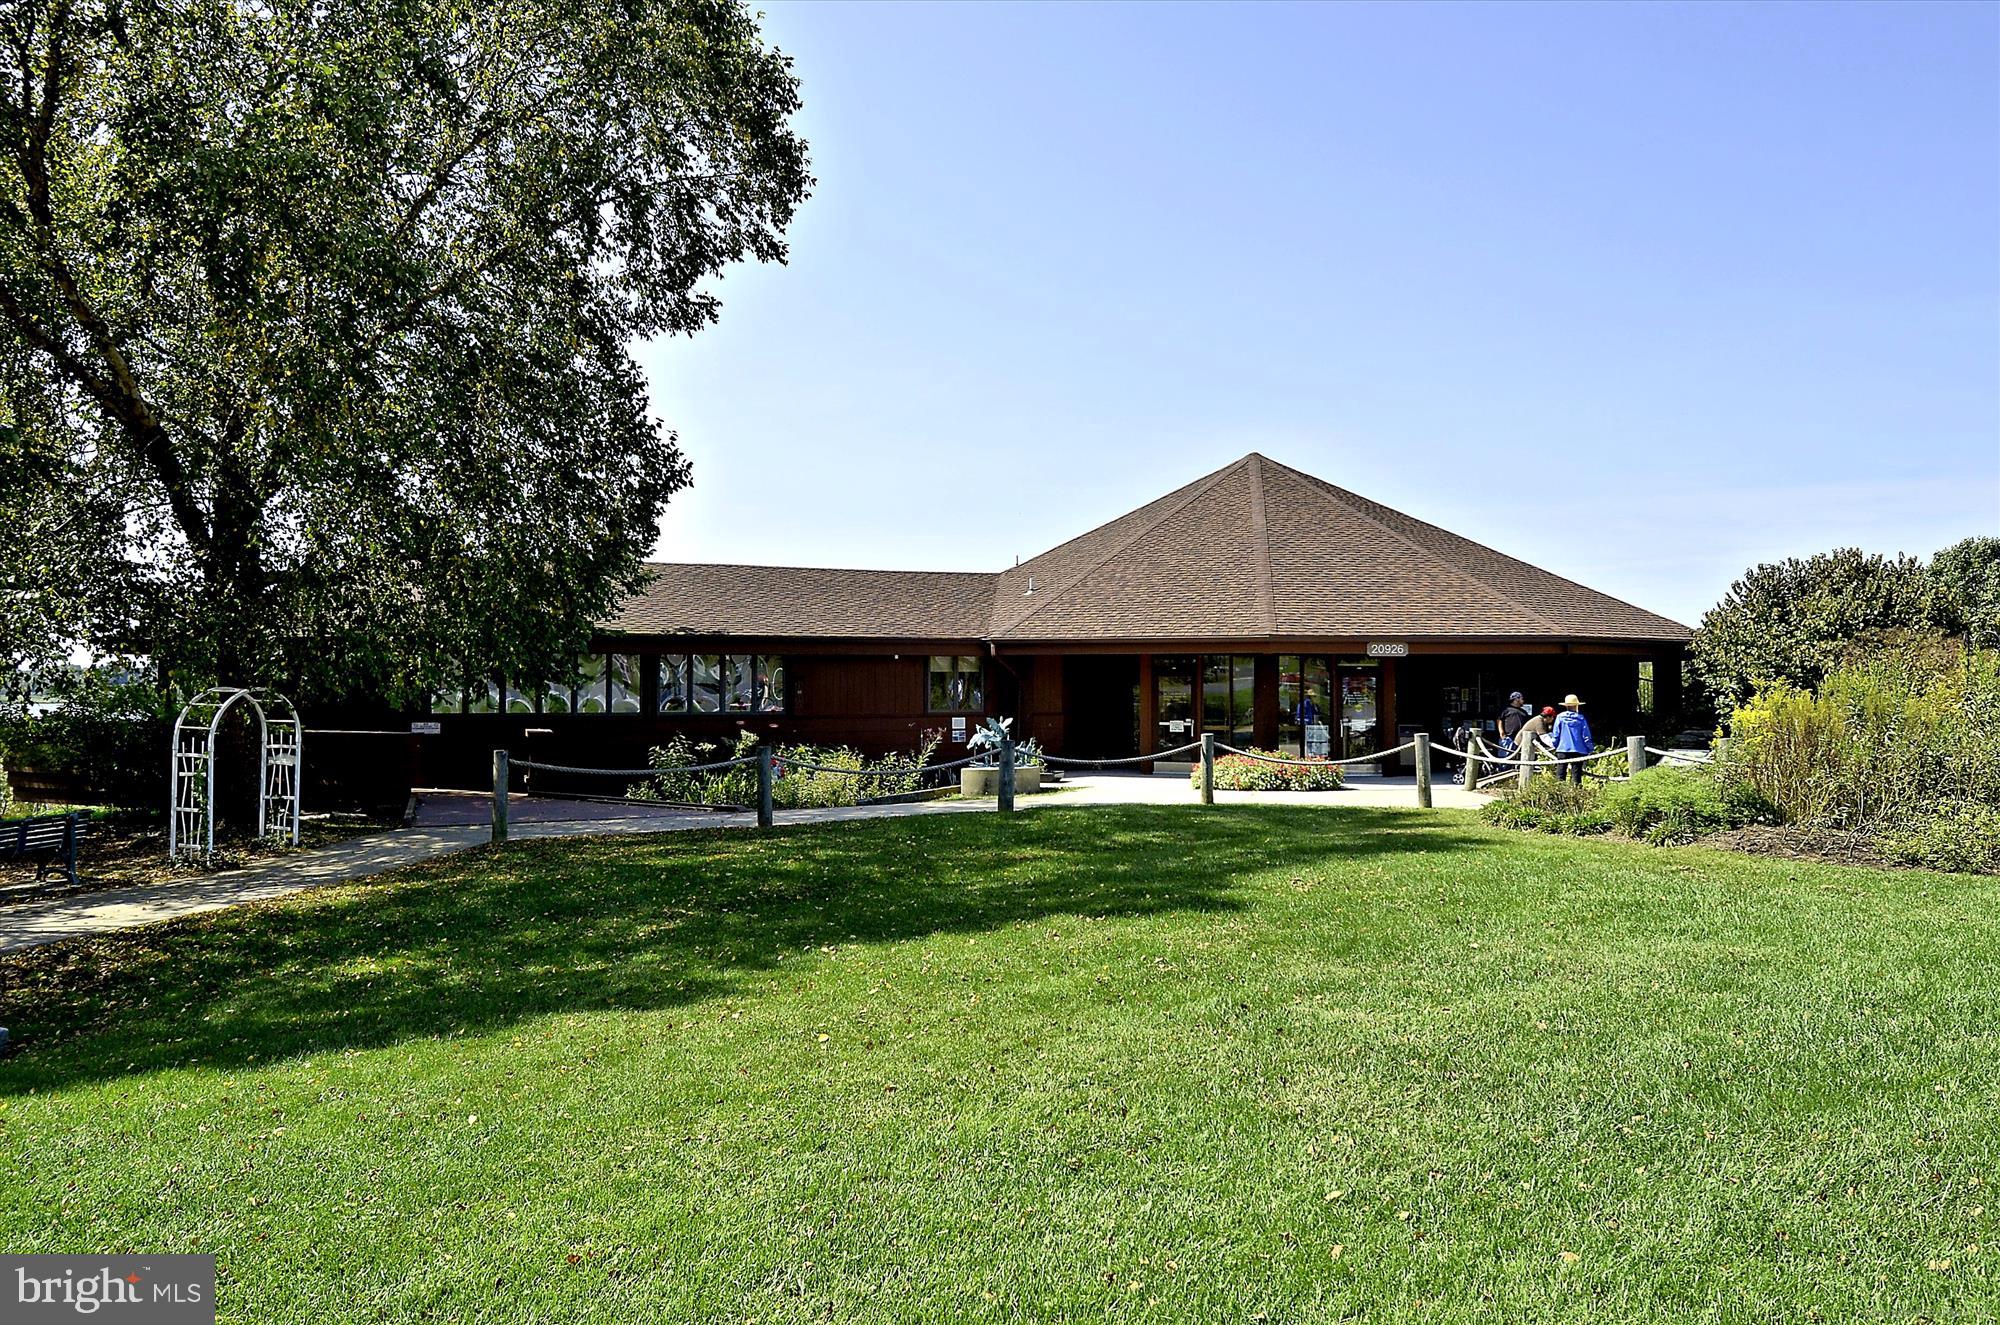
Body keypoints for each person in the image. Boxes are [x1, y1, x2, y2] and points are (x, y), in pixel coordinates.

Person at [1551, 694, 1593, 784]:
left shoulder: (1560, 717)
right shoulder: (1581, 719)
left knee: (1560, 775)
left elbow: (1556, 734)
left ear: (1566, 706)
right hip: (1579, 750)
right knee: (1576, 776)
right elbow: (1586, 736)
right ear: (1576, 706)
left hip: (1562, 749)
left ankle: (1558, 793)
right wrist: (1590, 748)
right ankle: (1576, 793)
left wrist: (1555, 745)